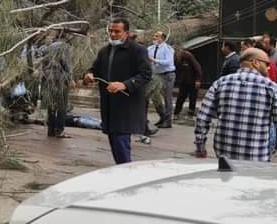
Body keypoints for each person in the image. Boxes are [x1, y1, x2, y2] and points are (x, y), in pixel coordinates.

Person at [194, 47, 277, 163]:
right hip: (257, 158)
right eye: (267, 64)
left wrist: (200, 146)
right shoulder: (271, 88)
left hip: (224, 155)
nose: (268, 68)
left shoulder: (220, 83)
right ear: (255, 62)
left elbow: (203, 117)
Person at [84, 18, 153, 164]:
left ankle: (124, 170)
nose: (113, 34)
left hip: (126, 103)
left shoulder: (137, 50)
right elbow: (94, 69)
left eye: (117, 31)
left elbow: (146, 75)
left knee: (120, 140)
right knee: (113, 138)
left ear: (126, 33)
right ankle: (122, 168)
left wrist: (125, 85)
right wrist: (89, 75)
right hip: (109, 103)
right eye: (111, 31)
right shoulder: (104, 51)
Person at [39, 31, 73, 138]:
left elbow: (43, 63)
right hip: (61, 80)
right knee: (62, 105)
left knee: (52, 104)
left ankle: (51, 130)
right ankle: (59, 130)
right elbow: (66, 64)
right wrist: (71, 78)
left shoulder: (48, 47)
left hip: (48, 79)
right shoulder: (64, 47)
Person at [148, 30, 176, 128]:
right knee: (154, 96)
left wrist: (154, 60)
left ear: (162, 38)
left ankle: (168, 121)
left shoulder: (167, 48)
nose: (154, 37)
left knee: (167, 98)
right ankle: (162, 117)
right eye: (154, 35)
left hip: (167, 75)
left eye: (157, 36)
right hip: (156, 75)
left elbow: (168, 61)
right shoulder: (150, 48)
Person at [173, 42, 203, 119]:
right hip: (183, 81)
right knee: (180, 97)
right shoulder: (177, 58)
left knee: (192, 98)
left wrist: (198, 80)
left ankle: (190, 114)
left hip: (192, 81)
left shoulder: (188, 56)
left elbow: (198, 68)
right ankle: (176, 113)